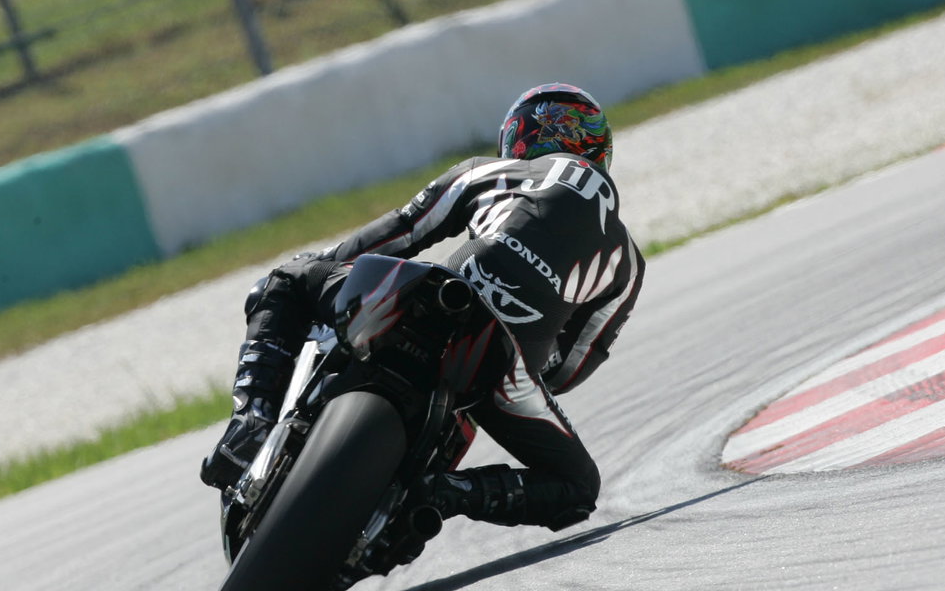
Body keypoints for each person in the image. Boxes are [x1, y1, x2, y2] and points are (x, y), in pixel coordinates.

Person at [200, 83, 645, 531]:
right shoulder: (628, 263)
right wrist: (513, 361)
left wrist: (324, 265)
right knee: (578, 485)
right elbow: (569, 368)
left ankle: (251, 421)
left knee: (287, 280)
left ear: (520, 136)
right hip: (501, 369)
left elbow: (400, 233)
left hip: (428, 301)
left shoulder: (488, 171)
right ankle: (441, 492)